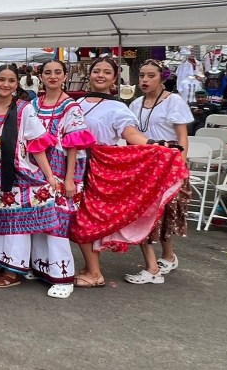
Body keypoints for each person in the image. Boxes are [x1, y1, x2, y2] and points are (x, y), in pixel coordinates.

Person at [69, 57, 189, 288]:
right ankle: (90, 267)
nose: (100, 75)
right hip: (73, 165)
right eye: (96, 71)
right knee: (77, 217)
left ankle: (95, 273)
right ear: (89, 74)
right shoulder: (77, 103)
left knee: (87, 218)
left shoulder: (118, 107)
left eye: (107, 72)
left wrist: (155, 145)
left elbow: (130, 134)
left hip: (98, 168)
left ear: (115, 78)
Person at [0, 65, 62, 289]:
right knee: (1, 221)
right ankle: (4, 264)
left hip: (18, 174)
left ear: (17, 84)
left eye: (11, 81)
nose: (6, 84)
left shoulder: (24, 109)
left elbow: (36, 144)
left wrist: (49, 175)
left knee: (17, 224)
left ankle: (14, 270)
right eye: (1, 79)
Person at [30, 60, 95, 299]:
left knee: (58, 222)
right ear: (41, 77)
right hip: (37, 171)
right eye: (47, 72)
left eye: (58, 72)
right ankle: (41, 267)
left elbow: (74, 146)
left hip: (62, 170)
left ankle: (63, 276)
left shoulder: (71, 107)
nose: (53, 76)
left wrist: (69, 179)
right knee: (39, 219)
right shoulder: (34, 104)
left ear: (65, 76)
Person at [127, 60, 194, 284]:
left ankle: (166, 257)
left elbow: (182, 137)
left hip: (168, 162)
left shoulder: (174, 101)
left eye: (151, 76)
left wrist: (180, 165)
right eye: (142, 76)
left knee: (165, 212)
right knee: (148, 212)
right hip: (144, 163)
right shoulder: (136, 103)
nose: (145, 80)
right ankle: (164, 258)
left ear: (162, 78)